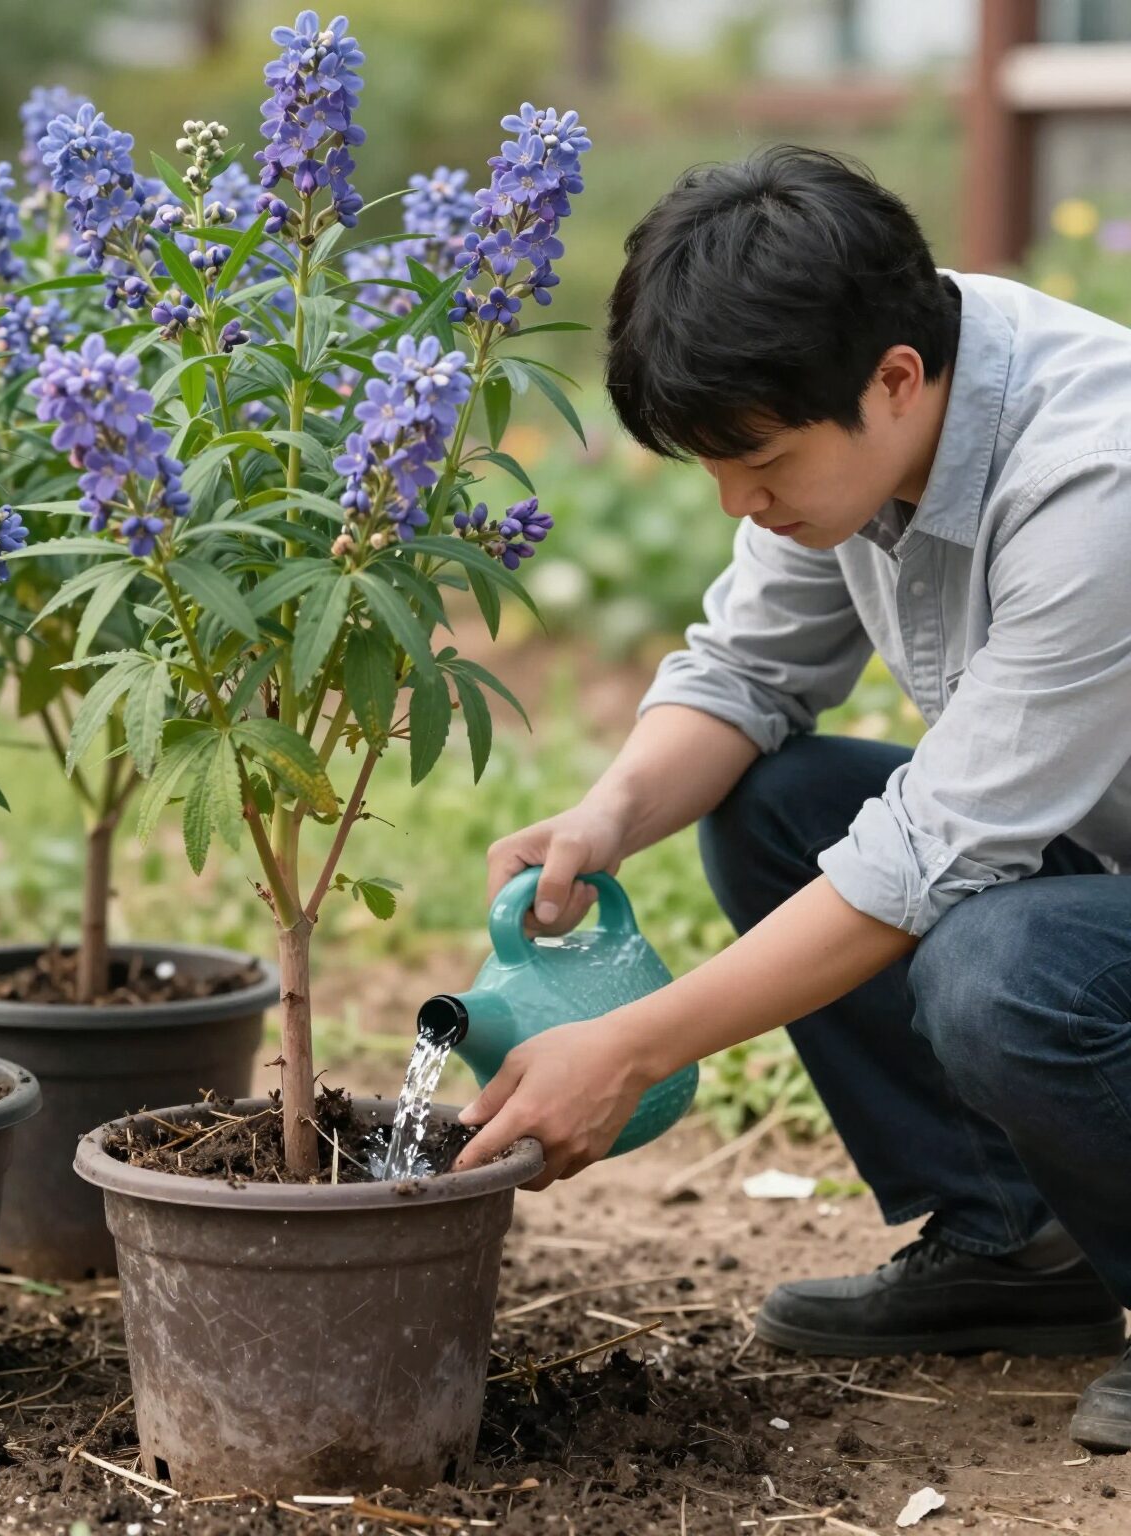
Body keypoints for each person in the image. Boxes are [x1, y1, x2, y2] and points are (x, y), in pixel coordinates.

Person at [451, 145, 1131, 1452]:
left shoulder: (1095, 480)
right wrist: (604, 818)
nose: (737, 504)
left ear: (894, 381)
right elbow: (746, 671)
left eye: (755, 460)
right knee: (783, 799)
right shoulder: (883, 394)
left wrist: (636, 1044)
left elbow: (934, 854)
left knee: (1003, 966)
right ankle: (1017, 1247)